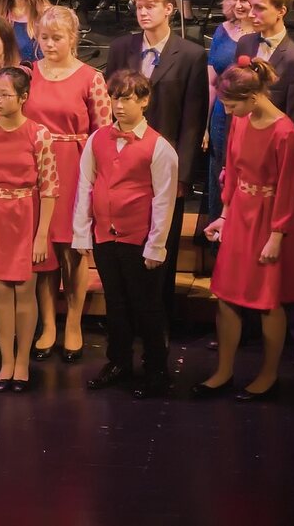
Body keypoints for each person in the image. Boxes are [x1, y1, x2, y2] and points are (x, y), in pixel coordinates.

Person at [195, 58, 294, 402]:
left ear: (253, 97)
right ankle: (224, 370)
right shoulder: (241, 121)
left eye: (231, 104)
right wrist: (224, 216)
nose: (227, 110)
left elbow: (288, 190)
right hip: (241, 214)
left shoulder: (284, 132)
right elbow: (234, 170)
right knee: (227, 296)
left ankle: (269, 374)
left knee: (268, 300)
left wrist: (277, 235)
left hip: (269, 220)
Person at [103, 0, 209, 318]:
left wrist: (184, 176)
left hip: (165, 164)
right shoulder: (121, 48)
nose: (144, 12)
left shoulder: (190, 54)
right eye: (139, 5)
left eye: (151, 5)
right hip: (125, 162)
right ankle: (127, 317)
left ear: (169, 9)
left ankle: (157, 319)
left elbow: (193, 120)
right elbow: (111, 107)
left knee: (162, 242)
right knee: (125, 243)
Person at [73, 71, 178, 399]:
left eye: (127, 98)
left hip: (139, 239)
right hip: (106, 237)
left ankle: (156, 369)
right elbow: (85, 185)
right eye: (115, 98)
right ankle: (118, 361)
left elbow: (163, 198)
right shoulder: (97, 139)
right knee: (115, 304)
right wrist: (81, 233)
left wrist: (155, 245)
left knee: (146, 306)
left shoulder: (159, 147)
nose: (119, 105)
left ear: (144, 100)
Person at [235, 0, 294, 367]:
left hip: (280, 177)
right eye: (250, 7)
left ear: (281, 11)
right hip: (250, 169)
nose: (251, 14)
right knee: (251, 250)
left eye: (259, 8)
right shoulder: (246, 45)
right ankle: (252, 325)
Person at [24, 7, 110, 363]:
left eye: (56, 38)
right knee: (42, 255)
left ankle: (74, 322)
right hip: (34, 170)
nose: (49, 44)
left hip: (74, 167)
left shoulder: (91, 77)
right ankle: (48, 324)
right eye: (44, 38)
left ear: (73, 38)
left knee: (73, 253)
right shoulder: (28, 74)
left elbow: (103, 133)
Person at [0, 66, 58, 393]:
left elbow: (49, 188)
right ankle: (6, 360)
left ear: (23, 98)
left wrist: (41, 234)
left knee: (25, 292)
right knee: (0, 294)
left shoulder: (39, 134)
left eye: (5, 94)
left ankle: (22, 362)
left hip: (26, 217)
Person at [200, 0, 265, 243]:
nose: (238, 5)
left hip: (250, 117)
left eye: (245, 0)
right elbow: (212, 82)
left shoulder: (264, 35)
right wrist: (205, 127)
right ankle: (220, 248)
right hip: (219, 118)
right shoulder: (221, 30)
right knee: (220, 178)